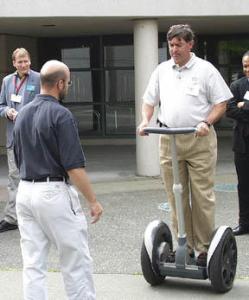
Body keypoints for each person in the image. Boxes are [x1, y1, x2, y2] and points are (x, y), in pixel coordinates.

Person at [137, 24, 232, 267]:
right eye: (171, 44)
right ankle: (185, 246)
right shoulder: (162, 70)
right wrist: (145, 120)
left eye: (179, 44)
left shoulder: (205, 70)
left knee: (202, 196)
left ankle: (203, 249)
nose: (174, 49)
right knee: (175, 194)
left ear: (190, 44)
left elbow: (221, 103)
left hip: (198, 138)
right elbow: (149, 101)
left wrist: (206, 122)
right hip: (169, 138)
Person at [13, 60, 103, 299]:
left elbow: (17, 157)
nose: (68, 87)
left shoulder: (22, 114)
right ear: (60, 83)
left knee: (33, 263)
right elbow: (73, 168)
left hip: (24, 191)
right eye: (68, 83)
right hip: (52, 192)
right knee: (75, 260)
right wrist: (93, 201)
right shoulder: (62, 115)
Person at [0, 48, 40, 232]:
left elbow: (46, 103)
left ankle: (38, 217)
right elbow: (1, 105)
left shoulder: (39, 79)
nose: (23, 65)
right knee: (14, 178)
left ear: (30, 61)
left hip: (33, 138)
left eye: (26, 61)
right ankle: (11, 218)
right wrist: (7, 111)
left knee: (36, 176)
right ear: (14, 63)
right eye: (19, 62)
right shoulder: (7, 81)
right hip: (13, 139)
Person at [226, 51, 249, 236]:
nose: (247, 69)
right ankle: (244, 223)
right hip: (242, 143)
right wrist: (241, 108)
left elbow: (240, 108)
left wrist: (245, 105)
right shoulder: (236, 85)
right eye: (245, 66)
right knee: (243, 185)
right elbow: (230, 109)